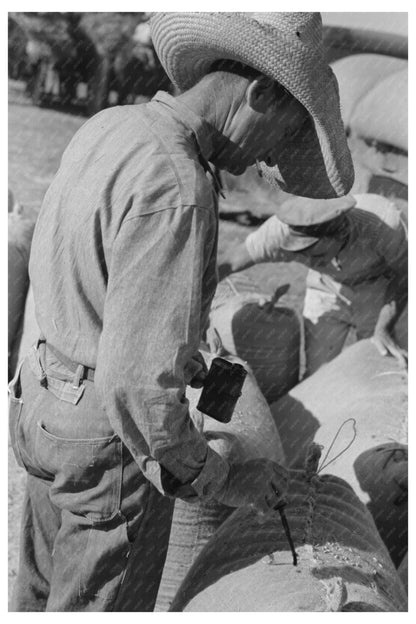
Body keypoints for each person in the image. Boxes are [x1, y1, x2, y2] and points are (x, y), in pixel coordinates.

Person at [9, 12, 353, 611]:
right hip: (104, 451)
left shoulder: (111, 126)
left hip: (41, 405)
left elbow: (84, 277)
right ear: (260, 94)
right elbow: (138, 389)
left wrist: (183, 359)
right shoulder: (179, 187)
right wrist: (225, 479)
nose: (271, 162)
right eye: (284, 135)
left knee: (36, 594)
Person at [219, 193, 408, 377]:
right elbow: (229, 263)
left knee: (378, 364)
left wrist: (384, 326)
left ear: (342, 233)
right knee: (318, 373)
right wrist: (196, 309)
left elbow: (406, 274)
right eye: (302, 254)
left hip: (379, 290)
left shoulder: (384, 224)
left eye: (316, 255)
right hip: (325, 286)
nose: (308, 260)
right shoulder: (281, 231)